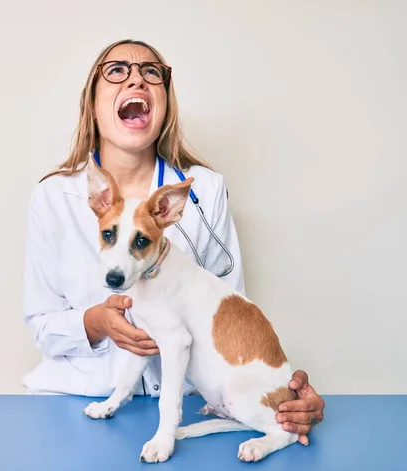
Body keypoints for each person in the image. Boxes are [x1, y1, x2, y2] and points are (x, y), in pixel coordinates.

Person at [21, 39, 324, 445]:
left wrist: (280, 395)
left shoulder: (205, 191)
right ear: (92, 101)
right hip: (74, 404)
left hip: (191, 405)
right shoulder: (53, 198)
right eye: (116, 70)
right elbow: (41, 324)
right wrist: (96, 323)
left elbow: (227, 316)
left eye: (151, 72)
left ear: (165, 101)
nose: (136, 79)